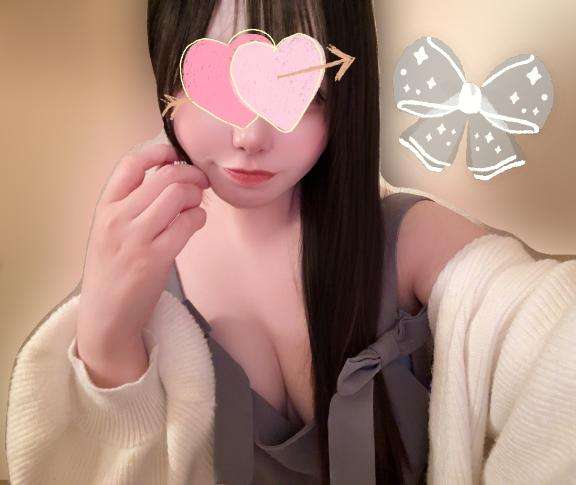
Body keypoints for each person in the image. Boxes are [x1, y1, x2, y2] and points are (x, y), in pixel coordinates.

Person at [15, 0, 573, 484]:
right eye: (218, 87)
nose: (251, 136)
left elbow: (548, 333)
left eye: (299, 91)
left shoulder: (408, 241)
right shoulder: (146, 276)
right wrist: (106, 342)